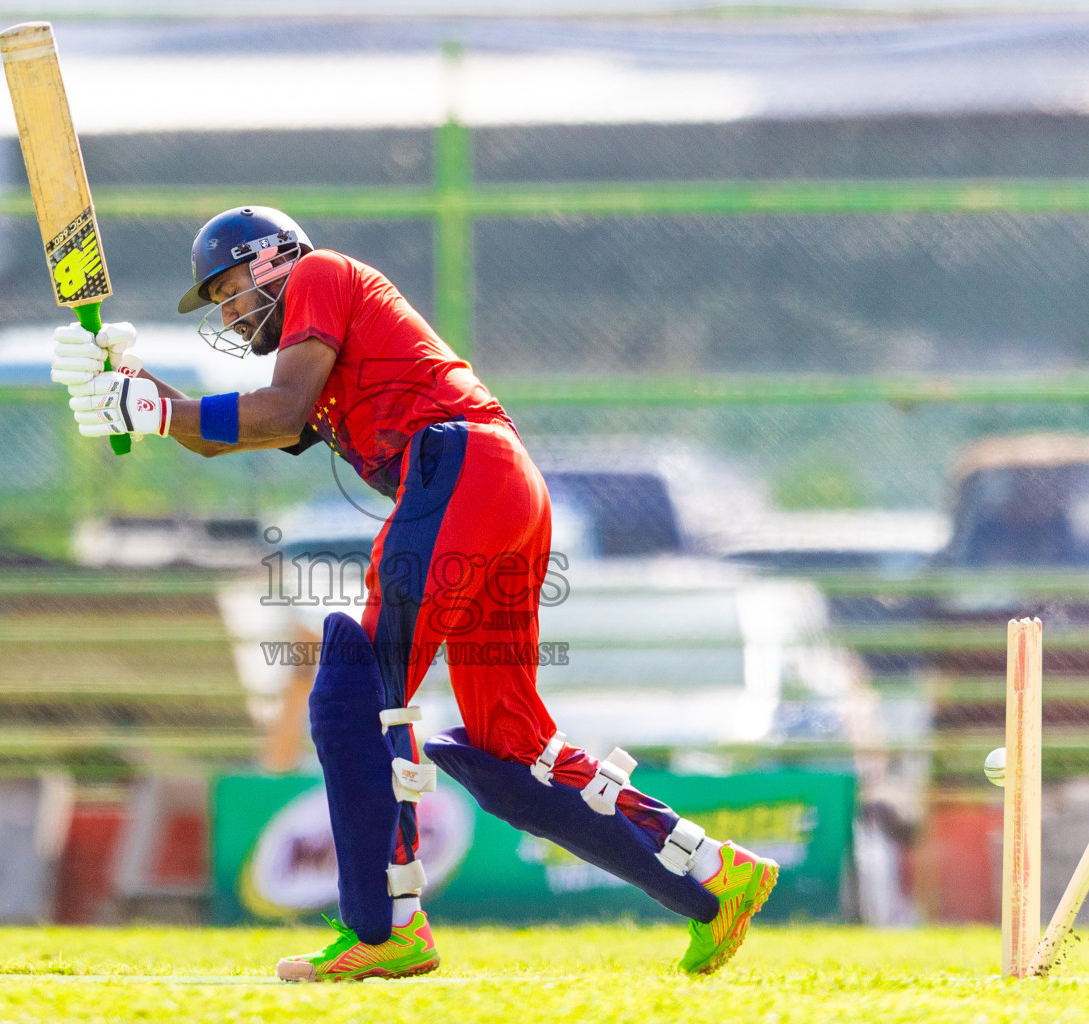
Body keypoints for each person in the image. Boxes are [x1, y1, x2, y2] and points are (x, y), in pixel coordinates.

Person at [50, 206, 779, 982]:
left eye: (229, 290)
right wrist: (124, 387)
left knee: (352, 687)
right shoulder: (317, 348)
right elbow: (232, 428)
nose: (228, 313)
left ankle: (386, 928)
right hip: (499, 484)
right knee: (510, 748)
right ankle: (712, 874)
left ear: (272, 261)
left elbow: (279, 410)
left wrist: (153, 407)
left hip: (457, 469)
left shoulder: (321, 273)